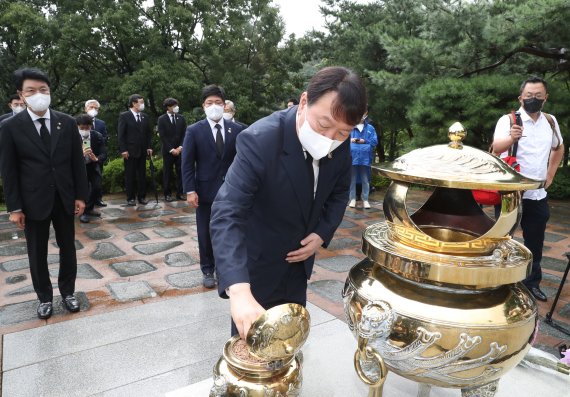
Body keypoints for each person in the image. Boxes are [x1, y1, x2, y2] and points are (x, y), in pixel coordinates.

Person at [210, 66, 367, 338]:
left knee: (289, 340)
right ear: (304, 101)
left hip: (299, 263)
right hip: (258, 266)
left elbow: (340, 192)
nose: (330, 139)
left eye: (343, 133)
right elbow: (227, 212)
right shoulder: (260, 140)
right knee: (251, 354)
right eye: (324, 124)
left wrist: (321, 233)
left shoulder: (339, 145)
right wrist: (238, 290)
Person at [0, 68, 88, 319]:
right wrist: (15, 208)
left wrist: (81, 196)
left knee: (67, 248)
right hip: (32, 201)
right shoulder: (11, 127)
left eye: (43, 90)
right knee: (36, 252)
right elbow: (9, 170)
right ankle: (44, 298)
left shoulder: (67, 122)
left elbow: (76, 163)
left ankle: (68, 292)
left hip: (64, 198)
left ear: (49, 92)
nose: (38, 94)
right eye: (31, 90)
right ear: (21, 94)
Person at [492, 76, 564, 302]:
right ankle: (499, 283)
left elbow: (558, 148)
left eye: (538, 96)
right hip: (509, 194)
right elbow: (495, 149)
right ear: (520, 98)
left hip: (537, 194)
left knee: (535, 242)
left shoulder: (550, 122)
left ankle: (531, 283)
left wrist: (550, 174)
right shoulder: (508, 120)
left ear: (545, 98)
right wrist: (511, 137)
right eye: (529, 96)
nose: (534, 100)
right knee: (502, 240)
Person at [181, 85, 245, 289]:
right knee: (205, 232)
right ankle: (207, 269)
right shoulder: (194, 130)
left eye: (218, 103)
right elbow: (187, 163)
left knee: (232, 231)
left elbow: (243, 160)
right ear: (203, 106)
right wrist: (190, 190)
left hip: (232, 190)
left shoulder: (237, 129)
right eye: (209, 103)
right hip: (205, 191)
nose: (214, 106)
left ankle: (225, 269)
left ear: (224, 105)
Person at [117, 94, 153, 206]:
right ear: (133, 103)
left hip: (142, 150)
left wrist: (149, 147)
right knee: (130, 175)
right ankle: (130, 198)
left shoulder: (144, 116)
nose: (143, 104)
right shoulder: (124, 116)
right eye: (141, 102)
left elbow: (148, 134)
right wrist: (123, 149)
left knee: (142, 175)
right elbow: (121, 134)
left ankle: (142, 197)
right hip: (130, 151)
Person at [76, 114, 107, 223]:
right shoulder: (72, 137)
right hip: (79, 168)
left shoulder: (97, 136)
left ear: (91, 126)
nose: (84, 130)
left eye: (87, 128)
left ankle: (90, 208)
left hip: (92, 166)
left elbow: (104, 154)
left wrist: (96, 158)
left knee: (96, 187)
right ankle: (83, 212)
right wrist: (80, 155)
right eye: (82, 128)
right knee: (83, 189)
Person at [157, 97, 186, 202]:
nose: (176, 107)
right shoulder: (161, 119)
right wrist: (171, 149)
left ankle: (180, 193)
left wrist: (180, 147)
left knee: (181, 172)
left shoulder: (181, 118)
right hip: (168, 151)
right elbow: (162, 136)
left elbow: (184, 134)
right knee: (168, 173)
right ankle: (167, 194)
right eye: (174, 106)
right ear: (168, 107)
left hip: (180, 150)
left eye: (176, 105)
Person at [348, 112, 377, 209]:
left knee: (365, 179)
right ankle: (352, 199)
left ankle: (365, 199)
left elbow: (374, 141)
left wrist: (364, 141)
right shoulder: (350, 127)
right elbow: (343, 139)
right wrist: (352, 140)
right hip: (352, 157)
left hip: (365, 158)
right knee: (352, 179)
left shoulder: (370, 128)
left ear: (366, 115)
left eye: (363, 114)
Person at [84, 99, 108, 207]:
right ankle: (87, 203)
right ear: (86, 109)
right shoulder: (79, 121)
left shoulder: (101, 123)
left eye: (96, 108)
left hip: (97, 156)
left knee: (98, 179)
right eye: (91, 107)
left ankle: (98, 199)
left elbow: (105, 137)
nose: (93, 110)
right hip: (83, 155)